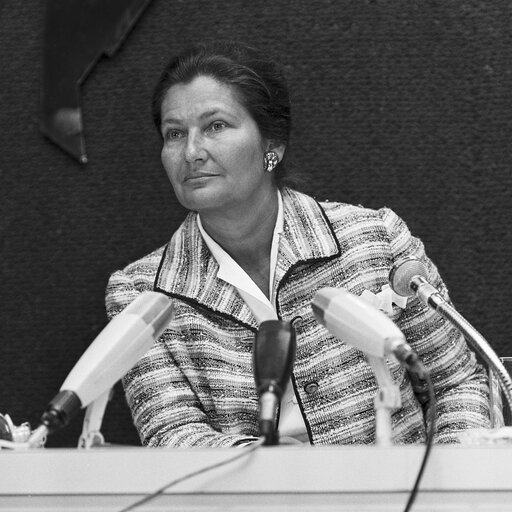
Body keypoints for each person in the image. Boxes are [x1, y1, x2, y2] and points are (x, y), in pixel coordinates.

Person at [105, 40, 492, 448]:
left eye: (215, 126)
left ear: (272, 145)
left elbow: (455, 381)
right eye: (174, 133)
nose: (192, 151)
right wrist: (273, 472)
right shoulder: (142, 294)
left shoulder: (374, 239)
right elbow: (172, 436)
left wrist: (442, 488)